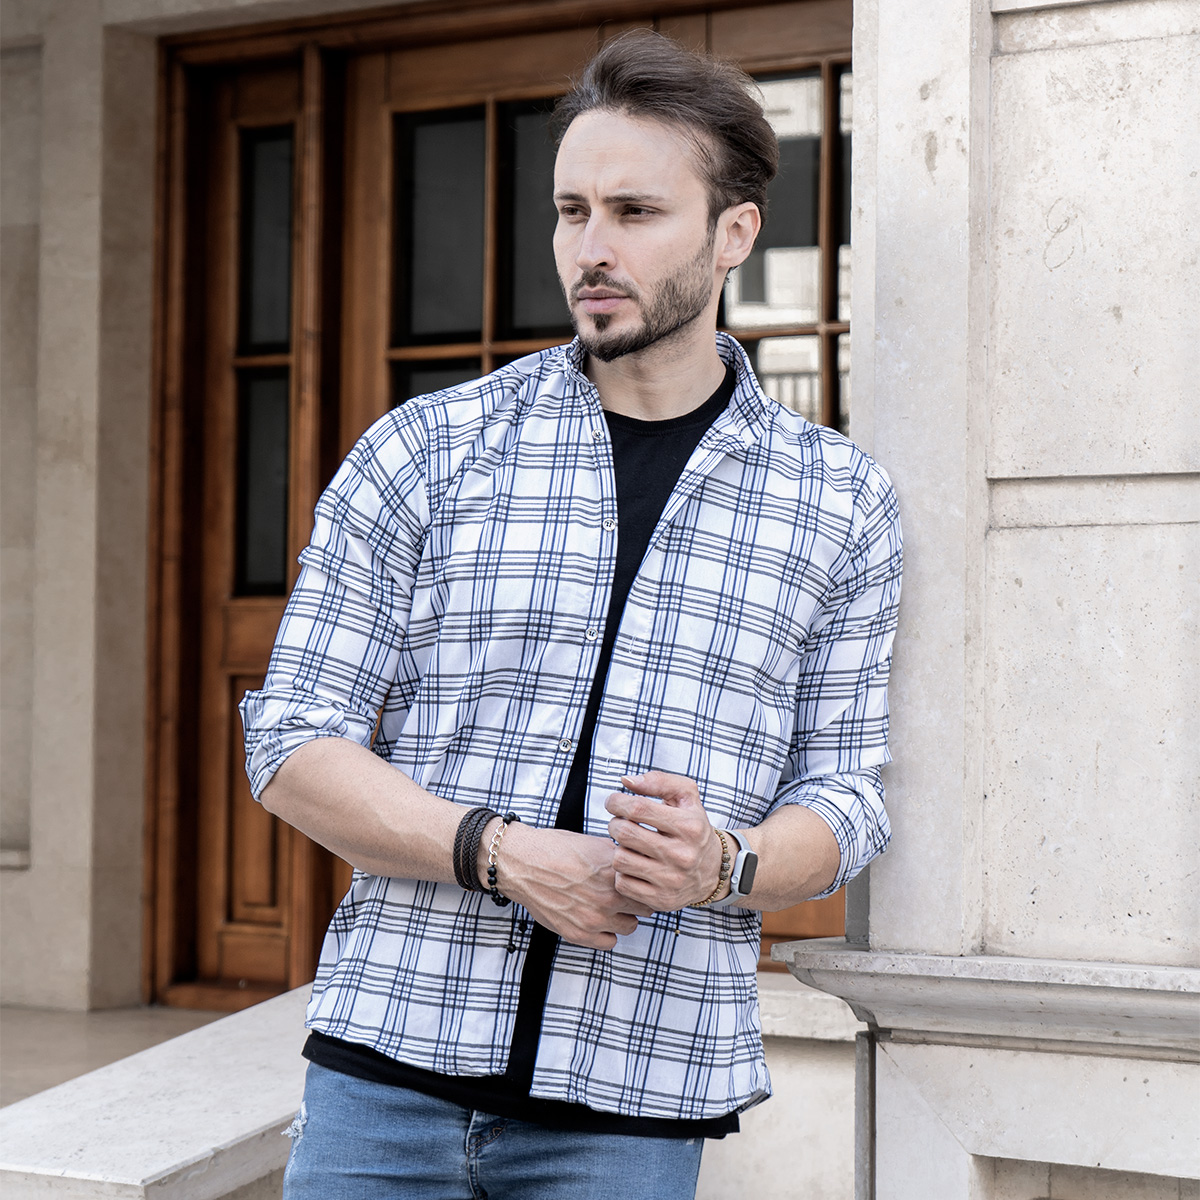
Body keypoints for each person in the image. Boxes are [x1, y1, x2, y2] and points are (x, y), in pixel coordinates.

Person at [241, 29, 902, 1200]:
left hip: (633, 1105)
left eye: (635, 212)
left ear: (734, 233)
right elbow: (290, 740)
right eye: (571, 211)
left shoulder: (839, 502)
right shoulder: (427, 450)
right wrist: (496, 854)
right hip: (386, 1073)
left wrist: (723, 863)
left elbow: (848, 796)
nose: (591, 248)